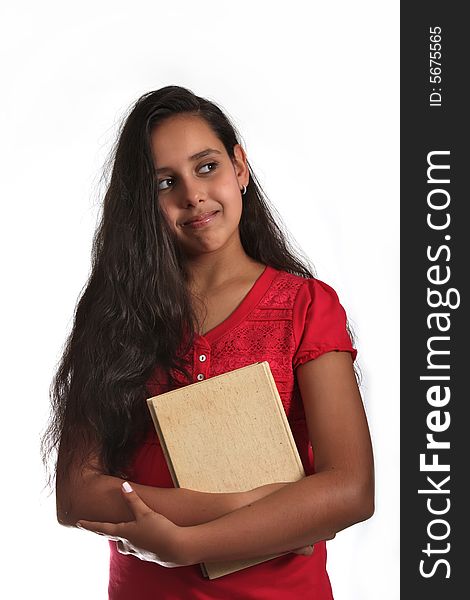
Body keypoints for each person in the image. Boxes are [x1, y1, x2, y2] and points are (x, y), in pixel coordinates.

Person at [41, 85, 374, 599]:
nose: (192, 195)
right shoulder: (114, 318)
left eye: (206, 167)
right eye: (164, 182)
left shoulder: (306, 306)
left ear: (240, 168)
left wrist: (185, 545)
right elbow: (78, 494)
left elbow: (350, 491)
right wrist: (264, 503)